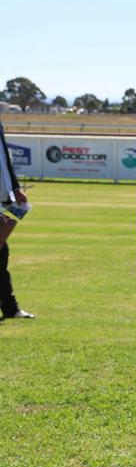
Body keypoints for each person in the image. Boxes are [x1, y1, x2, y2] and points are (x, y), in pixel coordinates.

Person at [0, 120, 34, 320]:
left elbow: (4, 159)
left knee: (2, 254)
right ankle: (10, 307)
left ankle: (10, 308)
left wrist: (14, 187)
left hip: (3, 196)